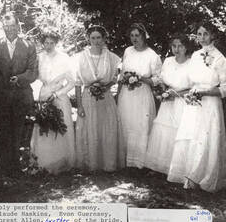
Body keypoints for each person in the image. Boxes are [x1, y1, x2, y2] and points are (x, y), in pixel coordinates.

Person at [168, 22, 226, 192]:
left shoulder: (220, 58)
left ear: (213, 35)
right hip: (194, 103)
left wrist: (205, 92)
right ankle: (190, 175)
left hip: (210, 103)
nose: (202, 37)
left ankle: (204, 176)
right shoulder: (195, 55)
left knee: (206, 138)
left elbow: (224, 87)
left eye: (205, 34)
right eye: (199, 34)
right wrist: (192, 93)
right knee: (192, 136)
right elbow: (192, 81)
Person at [0, 13, 38, 174]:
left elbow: (33, 72)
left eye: (12, 26)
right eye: (6, 27)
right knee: (3, 132)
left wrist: (19, 78)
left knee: (18, 132)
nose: (9, 29)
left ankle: (16, 167)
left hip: (21, 96)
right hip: (2, 97)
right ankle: (3, 167)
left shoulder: (29, 45)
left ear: (18, 26)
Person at [75, 25, 125, 171]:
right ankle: (91, 163)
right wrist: (79, 105)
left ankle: (107, 163)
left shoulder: (112, 57)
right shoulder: (80, 58)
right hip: (88, 97)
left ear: (104, 39)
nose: (96, 41)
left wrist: (105, 86)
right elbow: (78, 83)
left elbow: (116, 79)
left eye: (99, 38)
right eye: (93, 38)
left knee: (106, 128)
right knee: (90, 128)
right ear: (88, 39)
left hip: (105, 96)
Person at [145, 34, 192, 174]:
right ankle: (160, 166)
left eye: (180, 46)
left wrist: (177, 94)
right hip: (167, 102)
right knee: (163, 131)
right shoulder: (168, 61)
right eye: (174, 46)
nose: (177, 49)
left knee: (179, 132)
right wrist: (164, 92)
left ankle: (177, 168)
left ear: (186, 47)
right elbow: (162, 81)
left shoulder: (192, 63)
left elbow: (193, 88)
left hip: (183, 102)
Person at [30, 30, 75, 174]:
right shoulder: (39, 57)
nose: (48, 46)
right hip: (44, 95)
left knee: (60, 126)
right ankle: (43, 162)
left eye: (51, 43)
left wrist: (57, 94)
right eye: (46, 43)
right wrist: (41, 93)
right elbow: (35, 78)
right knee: (44, 128)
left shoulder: (64, 58)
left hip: (59, 96)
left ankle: (62, 161)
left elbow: (72, 82)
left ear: (56, 43)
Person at [117, 23, 162, 168]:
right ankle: (125, 159)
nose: (134, 38)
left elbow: (157, 79)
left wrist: (141, 78)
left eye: (137, 35)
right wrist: (120, 90)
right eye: (132, 36)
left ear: (144, 35)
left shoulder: (152, 55)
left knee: (140, 124)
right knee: (126, 122)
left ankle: (140, 161)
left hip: (142, 94)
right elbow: (122, 72)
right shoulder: (128, 51)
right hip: (126, 94)